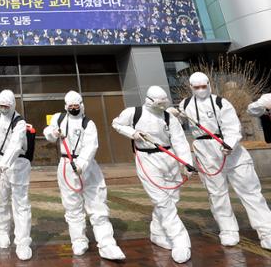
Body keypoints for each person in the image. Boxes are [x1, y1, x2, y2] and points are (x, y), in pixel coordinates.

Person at [179, 72, 271, 249]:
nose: (200, 90)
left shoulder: (221, 103)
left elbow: (232, 127)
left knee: (250, 191)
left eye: (203, 86)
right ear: (191, 88)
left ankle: (266, 230)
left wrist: (229, 144)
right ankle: (228, 230)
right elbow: (175, 120)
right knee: (217, 194)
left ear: (209, 85)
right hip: (205, 152)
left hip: (231, 151)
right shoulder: (186, 104)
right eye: (196, 87)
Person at [112, 86, 192, 264]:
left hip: (169, 158)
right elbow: (116, 123)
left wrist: (186, 162)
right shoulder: (134, 112)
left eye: (165, 101)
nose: (163, 104)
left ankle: (157, 233)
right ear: (150, 100)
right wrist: (133, 133)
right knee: (162, 201)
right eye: (160, 102)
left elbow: (179, 140)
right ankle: (180, 240)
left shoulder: (168, 116)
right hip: (147, 159)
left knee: (172, 199)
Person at [44, 91, 125, 260]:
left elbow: (91, 146)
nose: (74, 109)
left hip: (87, 167)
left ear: (81, 105)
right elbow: (48, 132)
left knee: (97, 205)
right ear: (66, 106)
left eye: (76, 106)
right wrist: (54, 133)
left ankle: (107, 243)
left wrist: (81, 164)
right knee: (72, 207)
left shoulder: (88, 124)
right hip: (66, 166)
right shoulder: (59, 119)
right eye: (71, 106)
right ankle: (79, 241)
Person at [0, 89, 32, 261]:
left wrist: (2, 165)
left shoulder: (19, 123)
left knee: (20, 204)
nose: (3, 108)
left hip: (17, 164)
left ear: (12, 105)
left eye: (6, 106)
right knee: (0, 201)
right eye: (0, 105)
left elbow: (14, 146)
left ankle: (22, 242)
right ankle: (3, 233)